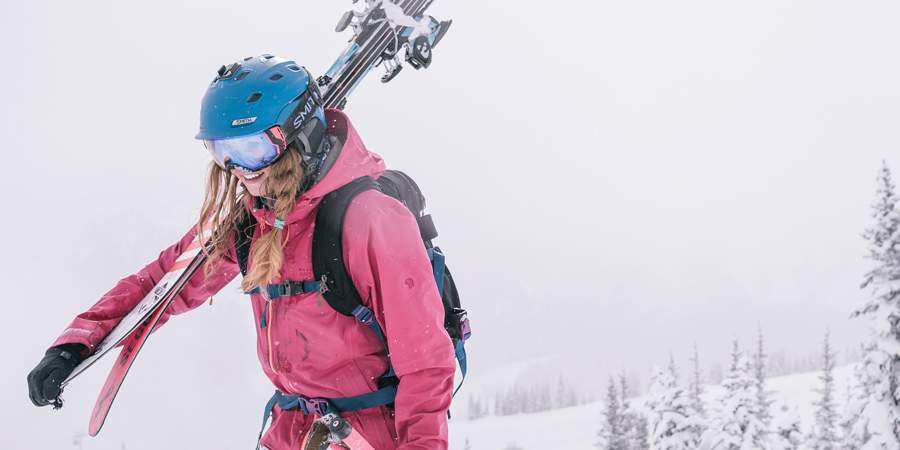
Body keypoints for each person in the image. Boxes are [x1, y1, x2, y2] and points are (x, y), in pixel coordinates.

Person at [27, 54, 456, 449]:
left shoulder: (371, 220)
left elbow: (426, 365)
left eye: (250, 150)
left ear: (296, 138)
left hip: (368, 433)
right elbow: (164, 283)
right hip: (292, 428)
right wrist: (75, 343)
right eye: (222, 152)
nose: (237, 170)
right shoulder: (254, 222)